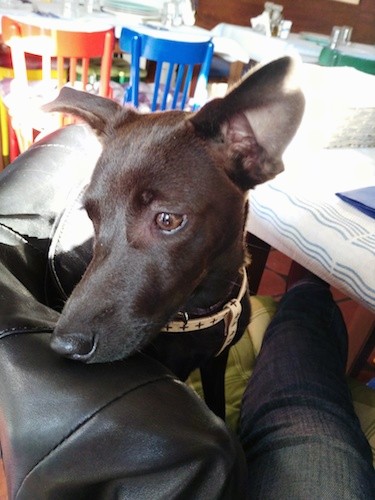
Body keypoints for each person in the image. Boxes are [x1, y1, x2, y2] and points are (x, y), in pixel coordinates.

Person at [0, 125, 374, 498]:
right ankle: (308, 294)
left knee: (233, 347)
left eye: (166, 219)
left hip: (218, 314)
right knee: (306, 371)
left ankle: (306, 296)